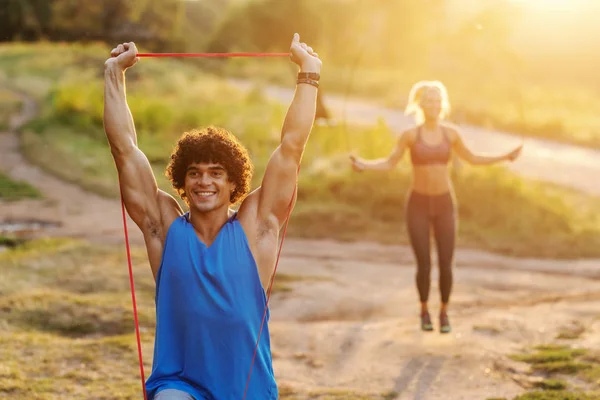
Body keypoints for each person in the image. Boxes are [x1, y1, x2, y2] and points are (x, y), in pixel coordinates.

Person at [103, 33, 321, 400]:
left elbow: (291, 147)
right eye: (195, 173)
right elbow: (124, 149)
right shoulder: (164, 228)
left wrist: (309, 73)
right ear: (182, 181)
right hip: (179, 382)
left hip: (247, 388)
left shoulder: (257, 227)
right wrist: (114, 73)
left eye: (216, 172)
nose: (204, 181)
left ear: (233, 181)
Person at [349, 81, 522, 334]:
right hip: (417, 204)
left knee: (446, 262)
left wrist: (504, 156)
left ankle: (443, 311)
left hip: (444, 204)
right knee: (424, 264)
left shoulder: (451, 134)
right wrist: (364, 165)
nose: (433, 104)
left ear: (443, 104)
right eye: (428, 100)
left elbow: (473, 158)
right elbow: (389, 163)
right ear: (420, 104)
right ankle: (423, 310)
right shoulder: (410, 135)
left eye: (437, 100)